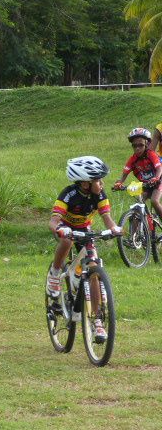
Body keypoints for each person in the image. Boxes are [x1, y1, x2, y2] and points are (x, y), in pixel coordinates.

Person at [47, 156, 121, 342]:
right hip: (66, 228)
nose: (102, 183)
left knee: (94, 268)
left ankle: (97, 321)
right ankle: (55, 273)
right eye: (98, 180)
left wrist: (113, 228)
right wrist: (59, 228)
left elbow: (106, 217)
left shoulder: (100, 194)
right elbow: (54, 220)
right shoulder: (68, 194)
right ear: (85, 183)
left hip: (85, 230)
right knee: (66, 242)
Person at [112, 127, 162, 220]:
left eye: (141, 145)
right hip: (147, 184)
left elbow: (159, 168)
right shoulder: (133, 159)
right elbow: (124, 173)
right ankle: (134, 234)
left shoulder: (151, 154)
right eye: (134, 146)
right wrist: (119, 183)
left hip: (159, 180)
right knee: (138, 205)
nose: (137, 149)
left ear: (147, 144)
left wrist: (156, 178)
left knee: (154, 201)